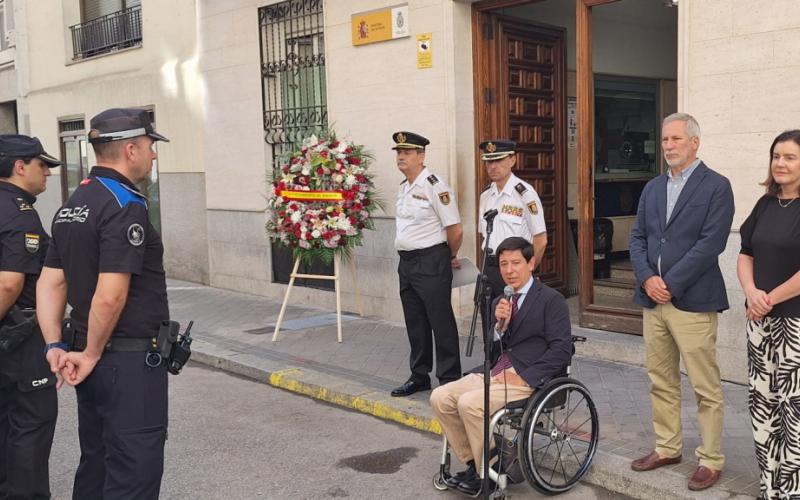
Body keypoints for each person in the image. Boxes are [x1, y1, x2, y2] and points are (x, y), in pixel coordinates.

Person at [36, 108, 170, 499]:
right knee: (133, 470)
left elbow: (51, 281)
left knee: (96, 464)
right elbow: (111, 294)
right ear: (131, 150)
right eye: (150, 146)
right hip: (125, 360)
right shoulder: (125, 203)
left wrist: (54, 344)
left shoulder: (74, 203)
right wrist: (92, 352)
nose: (153, 154)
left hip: (88, 354)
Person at [629, 112, 734, 491]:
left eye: (676, 139)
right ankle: (667, 447)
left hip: (692, 301)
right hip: (653, 301)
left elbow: (711, 244)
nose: (668, 146)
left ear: (695, 142)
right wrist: (647, 278)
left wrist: (669, 284)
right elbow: (638, 237)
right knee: (660, 380)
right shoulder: (653, 187)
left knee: (705, 386)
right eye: (664, 140)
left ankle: (710, 459)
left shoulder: (717, 186)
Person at [430, 236, 572, 496]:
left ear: (531, 263)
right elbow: (491, 351)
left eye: (516, 263)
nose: (509, 270)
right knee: (440, 397)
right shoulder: (499, 302)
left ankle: (489, 471)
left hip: (526, 377)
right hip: (494, 371)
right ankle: (476, 464)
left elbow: (562, 350)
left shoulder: (552, 300)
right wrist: (498, 327)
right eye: (504, 264)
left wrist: (527, 377)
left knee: (470, 404)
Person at [737, 129, 800, 500]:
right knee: (764, 403)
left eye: (790, 157)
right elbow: (745, 252)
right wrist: (750, 293)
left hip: (795, 324)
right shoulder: (764, 204)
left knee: (795, 409)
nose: (780, 163)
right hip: (760, 322)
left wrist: (769, 298)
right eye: (776, 156)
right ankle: (770, 486)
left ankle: (793, 490)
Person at [0, 134, 60, 500]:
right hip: (19, 336)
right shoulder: (18, 212)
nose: (48, 173)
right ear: (20, 167)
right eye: (42, 165)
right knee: (30, 423)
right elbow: (9, 283)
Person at [391, 131, 463, 397]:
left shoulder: (435, 186)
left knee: (440, 320)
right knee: (415, 320)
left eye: (407, 152)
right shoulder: (404, 186)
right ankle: (419, 375)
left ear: (421, 156)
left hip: (432, 260)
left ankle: (449, 378)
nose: (401, 157)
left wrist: (448, 255)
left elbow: (455, 228)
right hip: (407, 262)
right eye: (399, 152)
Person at [477, 139, 547, 333]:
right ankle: (491, 354)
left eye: (498, 160)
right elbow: (484, 235)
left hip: (515, 269)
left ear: (512, 160)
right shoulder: (486, 195)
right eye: (489, 161)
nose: (492, 166)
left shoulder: (525, 194)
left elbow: (540, 239)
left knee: (515, 324)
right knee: (490, 323)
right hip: (490, 266)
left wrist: (528, 269)